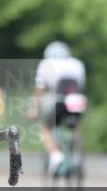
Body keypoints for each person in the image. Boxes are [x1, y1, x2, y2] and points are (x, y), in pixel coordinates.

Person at [29, 41, 86, 174]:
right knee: (75, 126)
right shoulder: (77, 64)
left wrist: (34, 108)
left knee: (45, 128)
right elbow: (81, 86)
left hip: (60, 102)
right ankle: (77, 157)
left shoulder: (46, 64)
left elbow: (40, 90)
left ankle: (55, 155)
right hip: (77, 101)